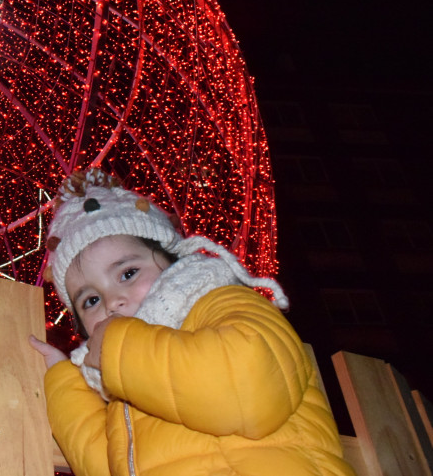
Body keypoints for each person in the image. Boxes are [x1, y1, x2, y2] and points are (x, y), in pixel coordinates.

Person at [29, 169, 356, 476]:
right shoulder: (124, 388)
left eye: (128, 273)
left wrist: (117, 348)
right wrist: (63, 381)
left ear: (174, 261)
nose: (112, 302)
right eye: (91, 300)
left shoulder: (218, 301)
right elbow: (104, 463)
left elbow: (248, 391)